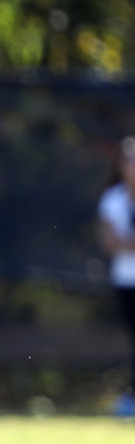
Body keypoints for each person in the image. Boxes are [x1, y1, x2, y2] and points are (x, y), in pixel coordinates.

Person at [98, 135, 135, 417]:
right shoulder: (113, 200)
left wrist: (127, 242)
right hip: (127, 282)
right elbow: (111, 243)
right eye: (129, 161)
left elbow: (122, 241)